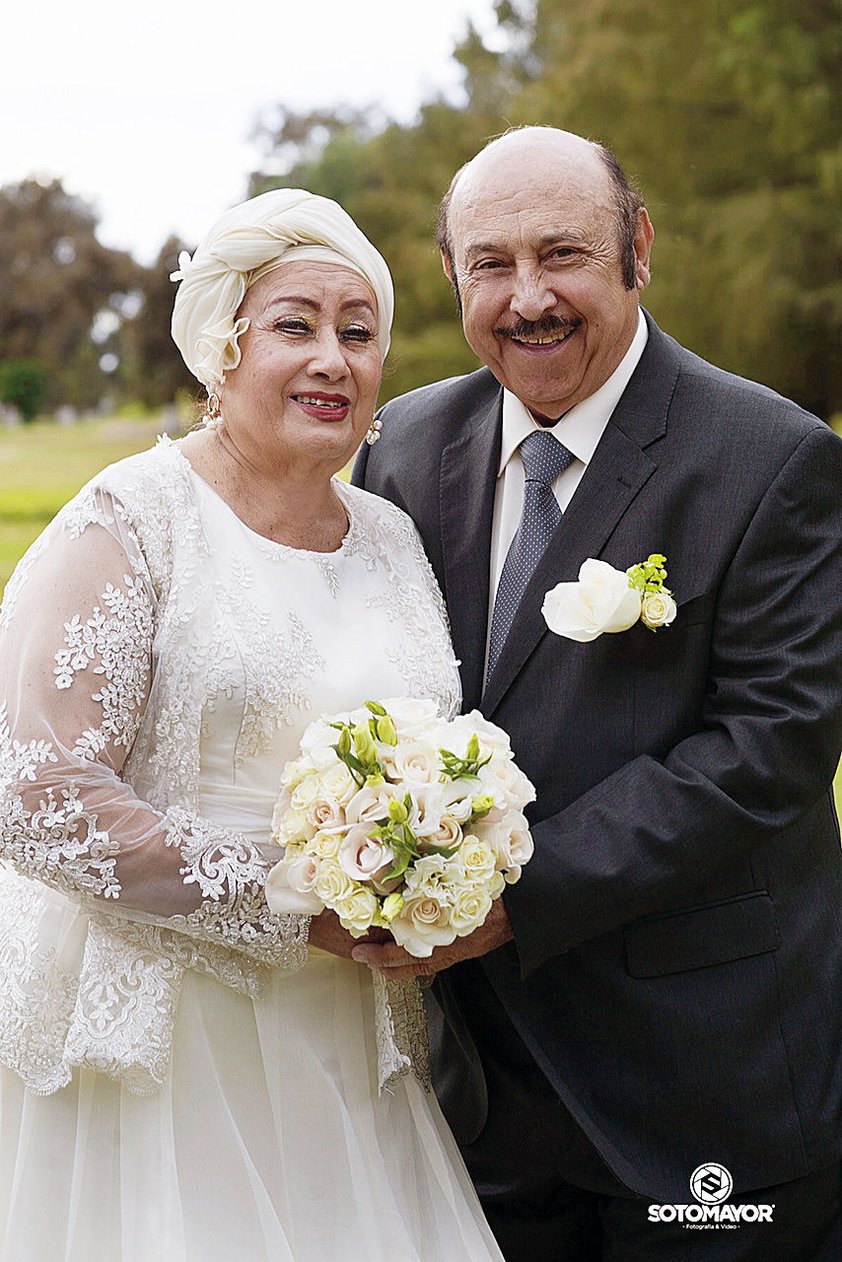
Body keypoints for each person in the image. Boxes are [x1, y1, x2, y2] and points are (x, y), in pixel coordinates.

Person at [352, 126, 842, 1261]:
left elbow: (765, 747)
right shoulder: (404, 449)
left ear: (637, 251)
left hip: (702, 1081)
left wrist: (510, 891)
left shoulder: (769, 457)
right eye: (490, 263)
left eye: (561, 253)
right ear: (451, 278)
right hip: (478, 1099)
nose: (528, 298)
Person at [0, 189, 505, 1262]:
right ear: (221, 349)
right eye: (295, 325)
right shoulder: (129, 521)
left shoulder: (391, 541)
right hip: (168, 1046)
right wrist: (292, 901)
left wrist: (431, 870)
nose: (332, 357)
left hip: (355, 1042)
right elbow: (36, 796)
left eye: (357, 332)